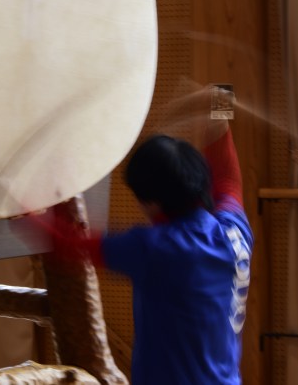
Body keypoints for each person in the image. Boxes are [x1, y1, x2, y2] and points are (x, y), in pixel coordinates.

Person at [54, 86, 252, 384]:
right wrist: (218, 109)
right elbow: (227, 180)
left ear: (151, 202)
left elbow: (67, 245)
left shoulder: (157, 248)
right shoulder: (233, 230)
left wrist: (22, 205)